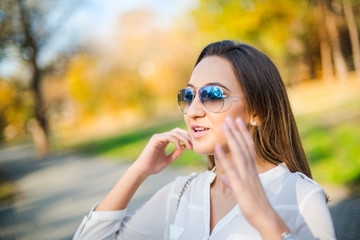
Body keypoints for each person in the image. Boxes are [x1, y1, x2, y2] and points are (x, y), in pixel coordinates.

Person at [73, 40, 336, 240]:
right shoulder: (181, 193)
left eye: (212, 95)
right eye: (188, 96)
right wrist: (138, 171)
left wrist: (266, 221)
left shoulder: (302, 197)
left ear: (257, 112)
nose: (192, 110)